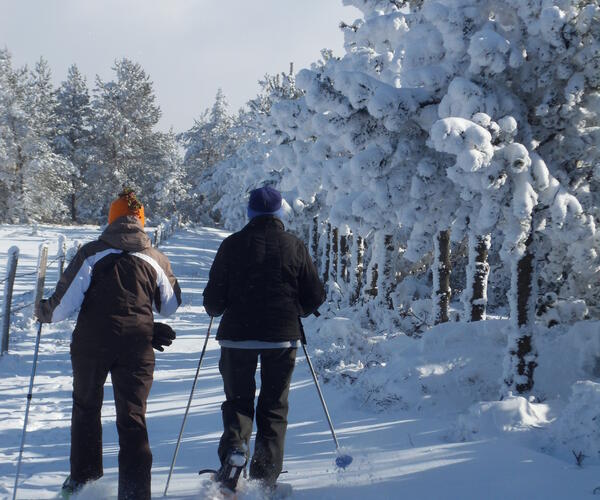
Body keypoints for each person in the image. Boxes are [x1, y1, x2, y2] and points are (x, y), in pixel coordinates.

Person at [36, 188, 181, 500]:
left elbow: (62, 306)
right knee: (132, 417)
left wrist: (43, 311)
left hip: (92, 345)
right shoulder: (154, 258)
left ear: (111, 219)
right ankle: (135, 492)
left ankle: (84, 481)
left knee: (86, 407)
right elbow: (170, 306)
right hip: (137, 346)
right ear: (142, 222)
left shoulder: (91, 253)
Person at [203, 185, 325, 491]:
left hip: (236, 337)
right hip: (281, 338)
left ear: (250, 213)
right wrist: (297, 307)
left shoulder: (231, 245)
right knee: (273, 406)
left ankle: (234, 453)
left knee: (238, 400)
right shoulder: (295, 245)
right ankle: (264, 480)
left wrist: (218, 305)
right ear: (280, 213)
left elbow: (213, 302)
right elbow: (314, 296)